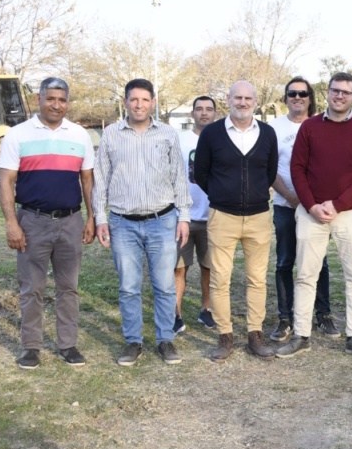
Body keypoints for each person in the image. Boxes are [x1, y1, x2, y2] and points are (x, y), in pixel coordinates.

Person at [278, 72, 352, 359]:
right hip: (312, 212)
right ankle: (301, 335)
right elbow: (297, 169)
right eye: (335, 90)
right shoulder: (310, 127)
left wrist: (338, 204)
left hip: (351, 213)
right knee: (306, 274)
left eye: (346, 92)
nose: (340, 96)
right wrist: (311, 205)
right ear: (328, 93)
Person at [0, 77, 96, 369]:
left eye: (62, 99)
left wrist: (91, 218)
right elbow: (6, 181)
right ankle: (31, 347)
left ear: (67, 102)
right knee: (32, 287)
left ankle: (68, 344)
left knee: (69, 287)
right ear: (39, 99)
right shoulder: (17, 135)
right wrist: (12, 223)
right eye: (50, 98)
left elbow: (87, 180)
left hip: (70, 221)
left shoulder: (80, 136)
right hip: (32, 221)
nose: (56, 105)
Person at [94, 78, 191, 367]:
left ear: (153, 103)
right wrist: (101, 218)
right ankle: (133, 341)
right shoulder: (111, 134)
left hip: (162, 221)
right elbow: (100, 180)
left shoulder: (167, 135)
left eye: (144, 100)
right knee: (129, 287)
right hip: (123, 223)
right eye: (133, 99)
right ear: (125, 102)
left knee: (164, 285)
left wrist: (183, 216)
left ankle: (165, 339)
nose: (139, 105)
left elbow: (179, 177)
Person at [194, 80, 279, 362]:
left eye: (248, 98)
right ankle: (225, 336)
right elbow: (202, 173)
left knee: (257, 279)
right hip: (223, 216)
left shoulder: (267, 133)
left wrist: (253, 196)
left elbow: (269, 171)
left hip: (258, 217)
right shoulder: (212, 134)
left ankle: (255, 334)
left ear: (255, 101)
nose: (242, 103)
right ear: (228, 100)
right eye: (237, 98)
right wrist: (223, 195)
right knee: (220, 278)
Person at [268, 76, 336, 343]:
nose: (297, 98)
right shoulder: (273, 128)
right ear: (285, 97)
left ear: (311, 98)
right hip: (286, 205)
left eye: (303, 94)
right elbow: (269, 168)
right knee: (285, 261)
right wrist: (289, 195)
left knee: (319, 261)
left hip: (316, 208)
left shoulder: (323, 125)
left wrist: (311, 202)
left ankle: (323, 314)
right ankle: (285, 318)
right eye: (292, 93)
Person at [174, 95, 217, 333]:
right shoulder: (180, 140)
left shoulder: (220, 139)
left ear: (215, 113)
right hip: (184, 217)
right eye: (199, 109)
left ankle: (206, 310)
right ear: (192, 114)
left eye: (208, 109)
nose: (204, 113)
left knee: (209, 266)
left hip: (212, 215)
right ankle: (176, 314)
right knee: (179, 267)